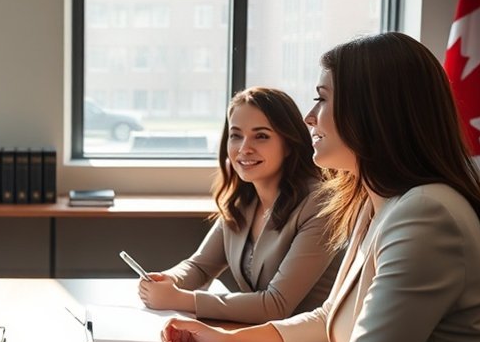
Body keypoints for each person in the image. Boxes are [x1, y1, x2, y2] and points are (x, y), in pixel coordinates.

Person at [161, 32, 480, 342]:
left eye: (323, 99)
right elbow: (328, 317)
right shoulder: (377, 202)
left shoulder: (426, 214)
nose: (309, 117)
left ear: (373, 111)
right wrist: (227, 341)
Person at [138, 87, 341, 323]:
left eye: (261, 136)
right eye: (236, 135)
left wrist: (180, 299)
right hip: (259, 337)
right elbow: (200, 267)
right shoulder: (242, 201)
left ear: (288, 143)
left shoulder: (320, 203)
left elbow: (276, 305)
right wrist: (167, 280)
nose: (244, 148)